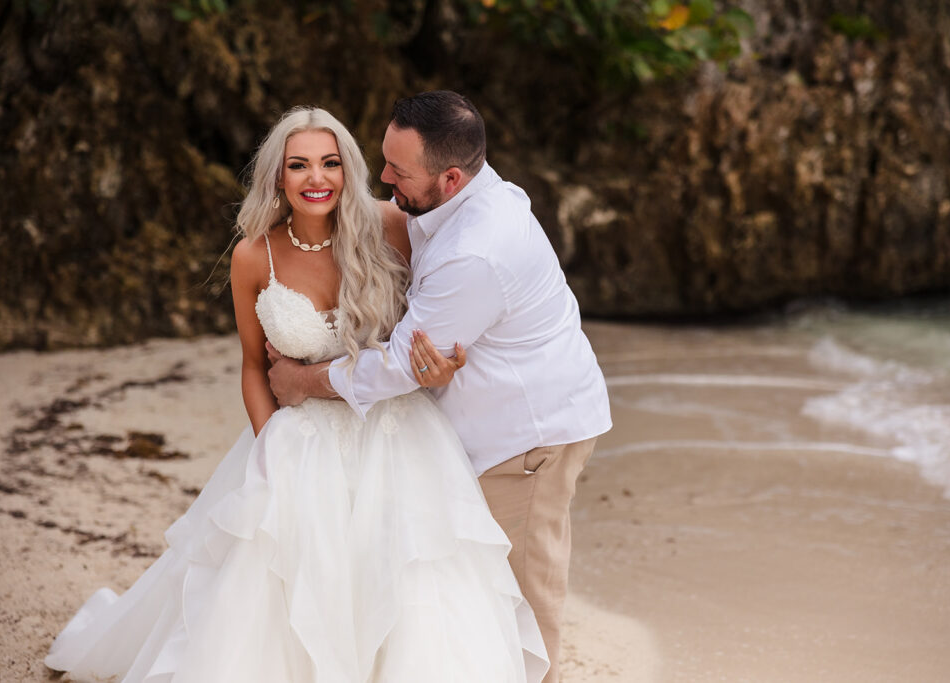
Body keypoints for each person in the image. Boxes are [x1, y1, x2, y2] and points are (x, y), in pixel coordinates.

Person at [44, 106, 549, 683]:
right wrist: (269, 447)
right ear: (277, 176)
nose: (318, 179)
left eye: (332, 163)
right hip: (299, 442)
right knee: (285, 582)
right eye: (300, 165)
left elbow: (435, 329)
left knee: (412, 581)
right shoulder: (252, 256)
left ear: (347, 170)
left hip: (398, 438)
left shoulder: (392, 228)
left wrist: (444, 371)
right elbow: (254, 366)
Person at [267, 91, 612, 683]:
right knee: (475, 593)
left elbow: (401, 366)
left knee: (523, 598)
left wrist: (302, 380)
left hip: (526, 441)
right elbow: (405, 234)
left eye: (398, 172)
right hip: (494, 423)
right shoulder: (466, 194)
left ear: (451, 178)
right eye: (383, 159)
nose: (383, 177)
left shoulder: (475, 252)